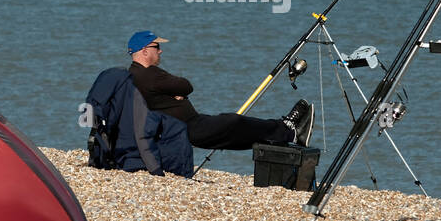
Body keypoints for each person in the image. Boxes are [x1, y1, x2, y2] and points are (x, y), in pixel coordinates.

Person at [126, 30, 313, 150]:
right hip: (188, 128)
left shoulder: (136, 75)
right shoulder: (149, 74)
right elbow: (185, 85)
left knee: (237, 133)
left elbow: (175, 88)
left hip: (188, 124)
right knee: (233, 122)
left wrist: (174, 92)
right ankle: (287, 130)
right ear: (144, 51)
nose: (160, 51)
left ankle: (288, 134)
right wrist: (176, 92)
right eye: (156, 47)